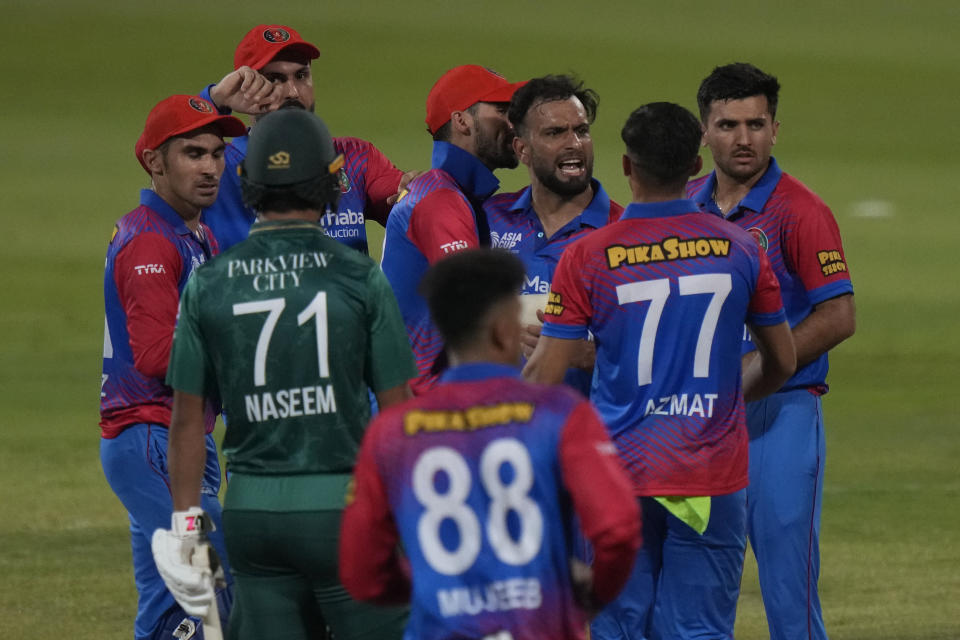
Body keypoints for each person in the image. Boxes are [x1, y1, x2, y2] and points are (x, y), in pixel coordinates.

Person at [524, 101, 797, 639]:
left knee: (615, 628)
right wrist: (724, 402)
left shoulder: (587, 256)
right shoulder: (741, 249)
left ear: (627, 167)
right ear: (697, 167)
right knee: (697, 630)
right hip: (710, 472)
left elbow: (544, 377)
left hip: (616, 475)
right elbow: (783, 360)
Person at [151, 108, 416, 640]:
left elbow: (186, 422)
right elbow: (399, 414)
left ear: (246, 182)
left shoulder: (210, 282)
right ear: (331, 180)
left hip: (251, 515)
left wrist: (187, 527)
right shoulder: (358, 276)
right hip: (342, 513)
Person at [340, 248, 641, 640]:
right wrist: (594, 595)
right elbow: (618, 531)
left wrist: (432, 584)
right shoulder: (560, 414)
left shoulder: (392, 432)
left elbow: (359, 572)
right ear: (503, 330)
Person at [688, 62, 856, 640]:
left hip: (780, 411)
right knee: (701, 589)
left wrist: (757, 370)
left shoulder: (801, 211)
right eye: (728, 124)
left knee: (787, 586)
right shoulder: (683, 206)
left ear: (775, 130)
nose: (743, 139)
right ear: (704, 131)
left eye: (756, 124)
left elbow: (838, 314)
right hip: (699, 418)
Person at [99, 94, 246, 639]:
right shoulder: (151, 242)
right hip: (151, 437)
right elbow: (159, 355)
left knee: (168, 611)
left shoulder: (193, 232)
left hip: (176, 436)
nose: (210, 167)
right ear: (154, 161)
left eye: (215, 153)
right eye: (192, 154)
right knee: (214, 591)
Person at [198, 24, 414, 254]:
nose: (293, 92)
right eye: (275, 78)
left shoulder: (353, 158)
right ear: (246, 87)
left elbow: (406, 201)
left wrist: (420, 189)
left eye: (301, 75)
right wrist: (216, 100)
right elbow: (167, 163)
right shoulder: (218, 167)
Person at [380, 64, 525, 394]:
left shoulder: (448, 194)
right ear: (462, 121)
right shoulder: (441, 201)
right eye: (501, 111)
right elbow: (474, 305)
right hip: (422, 411)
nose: (513, 123)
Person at [484, 74, 622, 394]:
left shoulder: (623, 231)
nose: (574, 143)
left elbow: (661, 349)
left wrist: (591, 357)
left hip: (588, 432)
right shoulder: (486, 219)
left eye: (582, 131)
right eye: (555, 132)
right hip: (503, 428)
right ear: (522, 149)